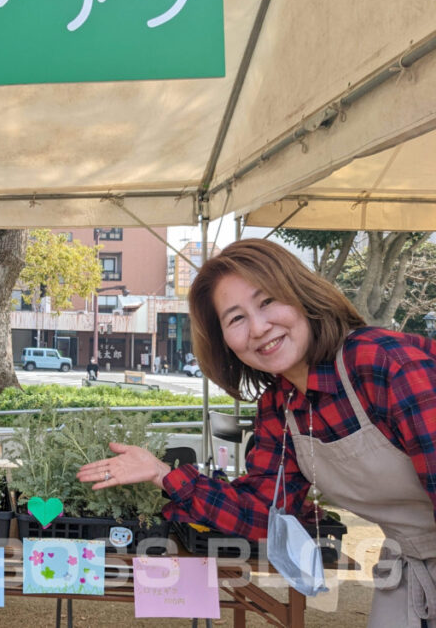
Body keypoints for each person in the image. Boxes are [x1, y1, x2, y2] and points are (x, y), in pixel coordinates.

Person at [77, 238, 435, 627]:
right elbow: (264, 514)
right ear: (225, 343)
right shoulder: (279, 406)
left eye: (267, 302)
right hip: (409, 563)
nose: (259, 328)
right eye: (236, 319)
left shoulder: (383, 363)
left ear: (301, 296)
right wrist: (162, 474)